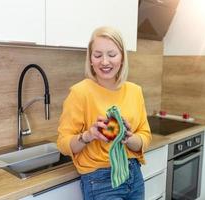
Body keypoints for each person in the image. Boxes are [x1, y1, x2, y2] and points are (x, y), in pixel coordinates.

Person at [57, 26, 152, 200]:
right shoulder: (80, 93)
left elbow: (145, 137)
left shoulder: (135, 91)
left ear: (122, 57)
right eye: (98, 55)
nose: (105, 62)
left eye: (112, 54)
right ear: (90, 59)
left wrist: (127, 137)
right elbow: (63, 143)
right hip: (99, 181)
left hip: (134, 175)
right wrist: (88, 135)